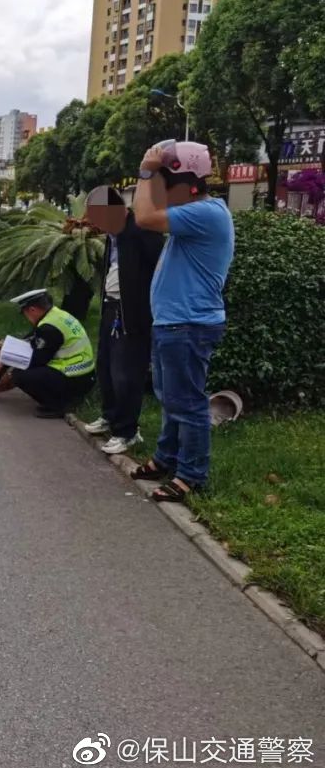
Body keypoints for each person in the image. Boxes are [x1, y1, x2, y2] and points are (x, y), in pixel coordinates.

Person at [130, 140, 234, 503]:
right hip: (175, 324)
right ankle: (166, 458)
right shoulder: (193, 214)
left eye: (164, 182)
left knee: (187, 403)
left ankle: (192, 474)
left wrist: (145, 170)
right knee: (171, 400)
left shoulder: (206, 213)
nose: (159, 190)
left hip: (189, 324)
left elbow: (143, 217)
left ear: (189, 184)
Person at [82, 186, 164, 455]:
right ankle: (110, 416)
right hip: (111, 307)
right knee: (105, 366)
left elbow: (159, 266)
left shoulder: (141, 230)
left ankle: (127, 431)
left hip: (134, 313)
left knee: (126, 373)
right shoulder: (113, 235)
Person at [0, 289, 96, 418]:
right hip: (85, 375)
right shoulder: (55, 315)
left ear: (33, 310)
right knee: (19, 368)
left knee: (20, 375)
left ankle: (57, 406)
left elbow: (34, 361)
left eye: (24, 313)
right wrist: (3, 363)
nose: (26, 317)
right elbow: (30, 339)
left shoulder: (49, 328)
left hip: (74, 380)